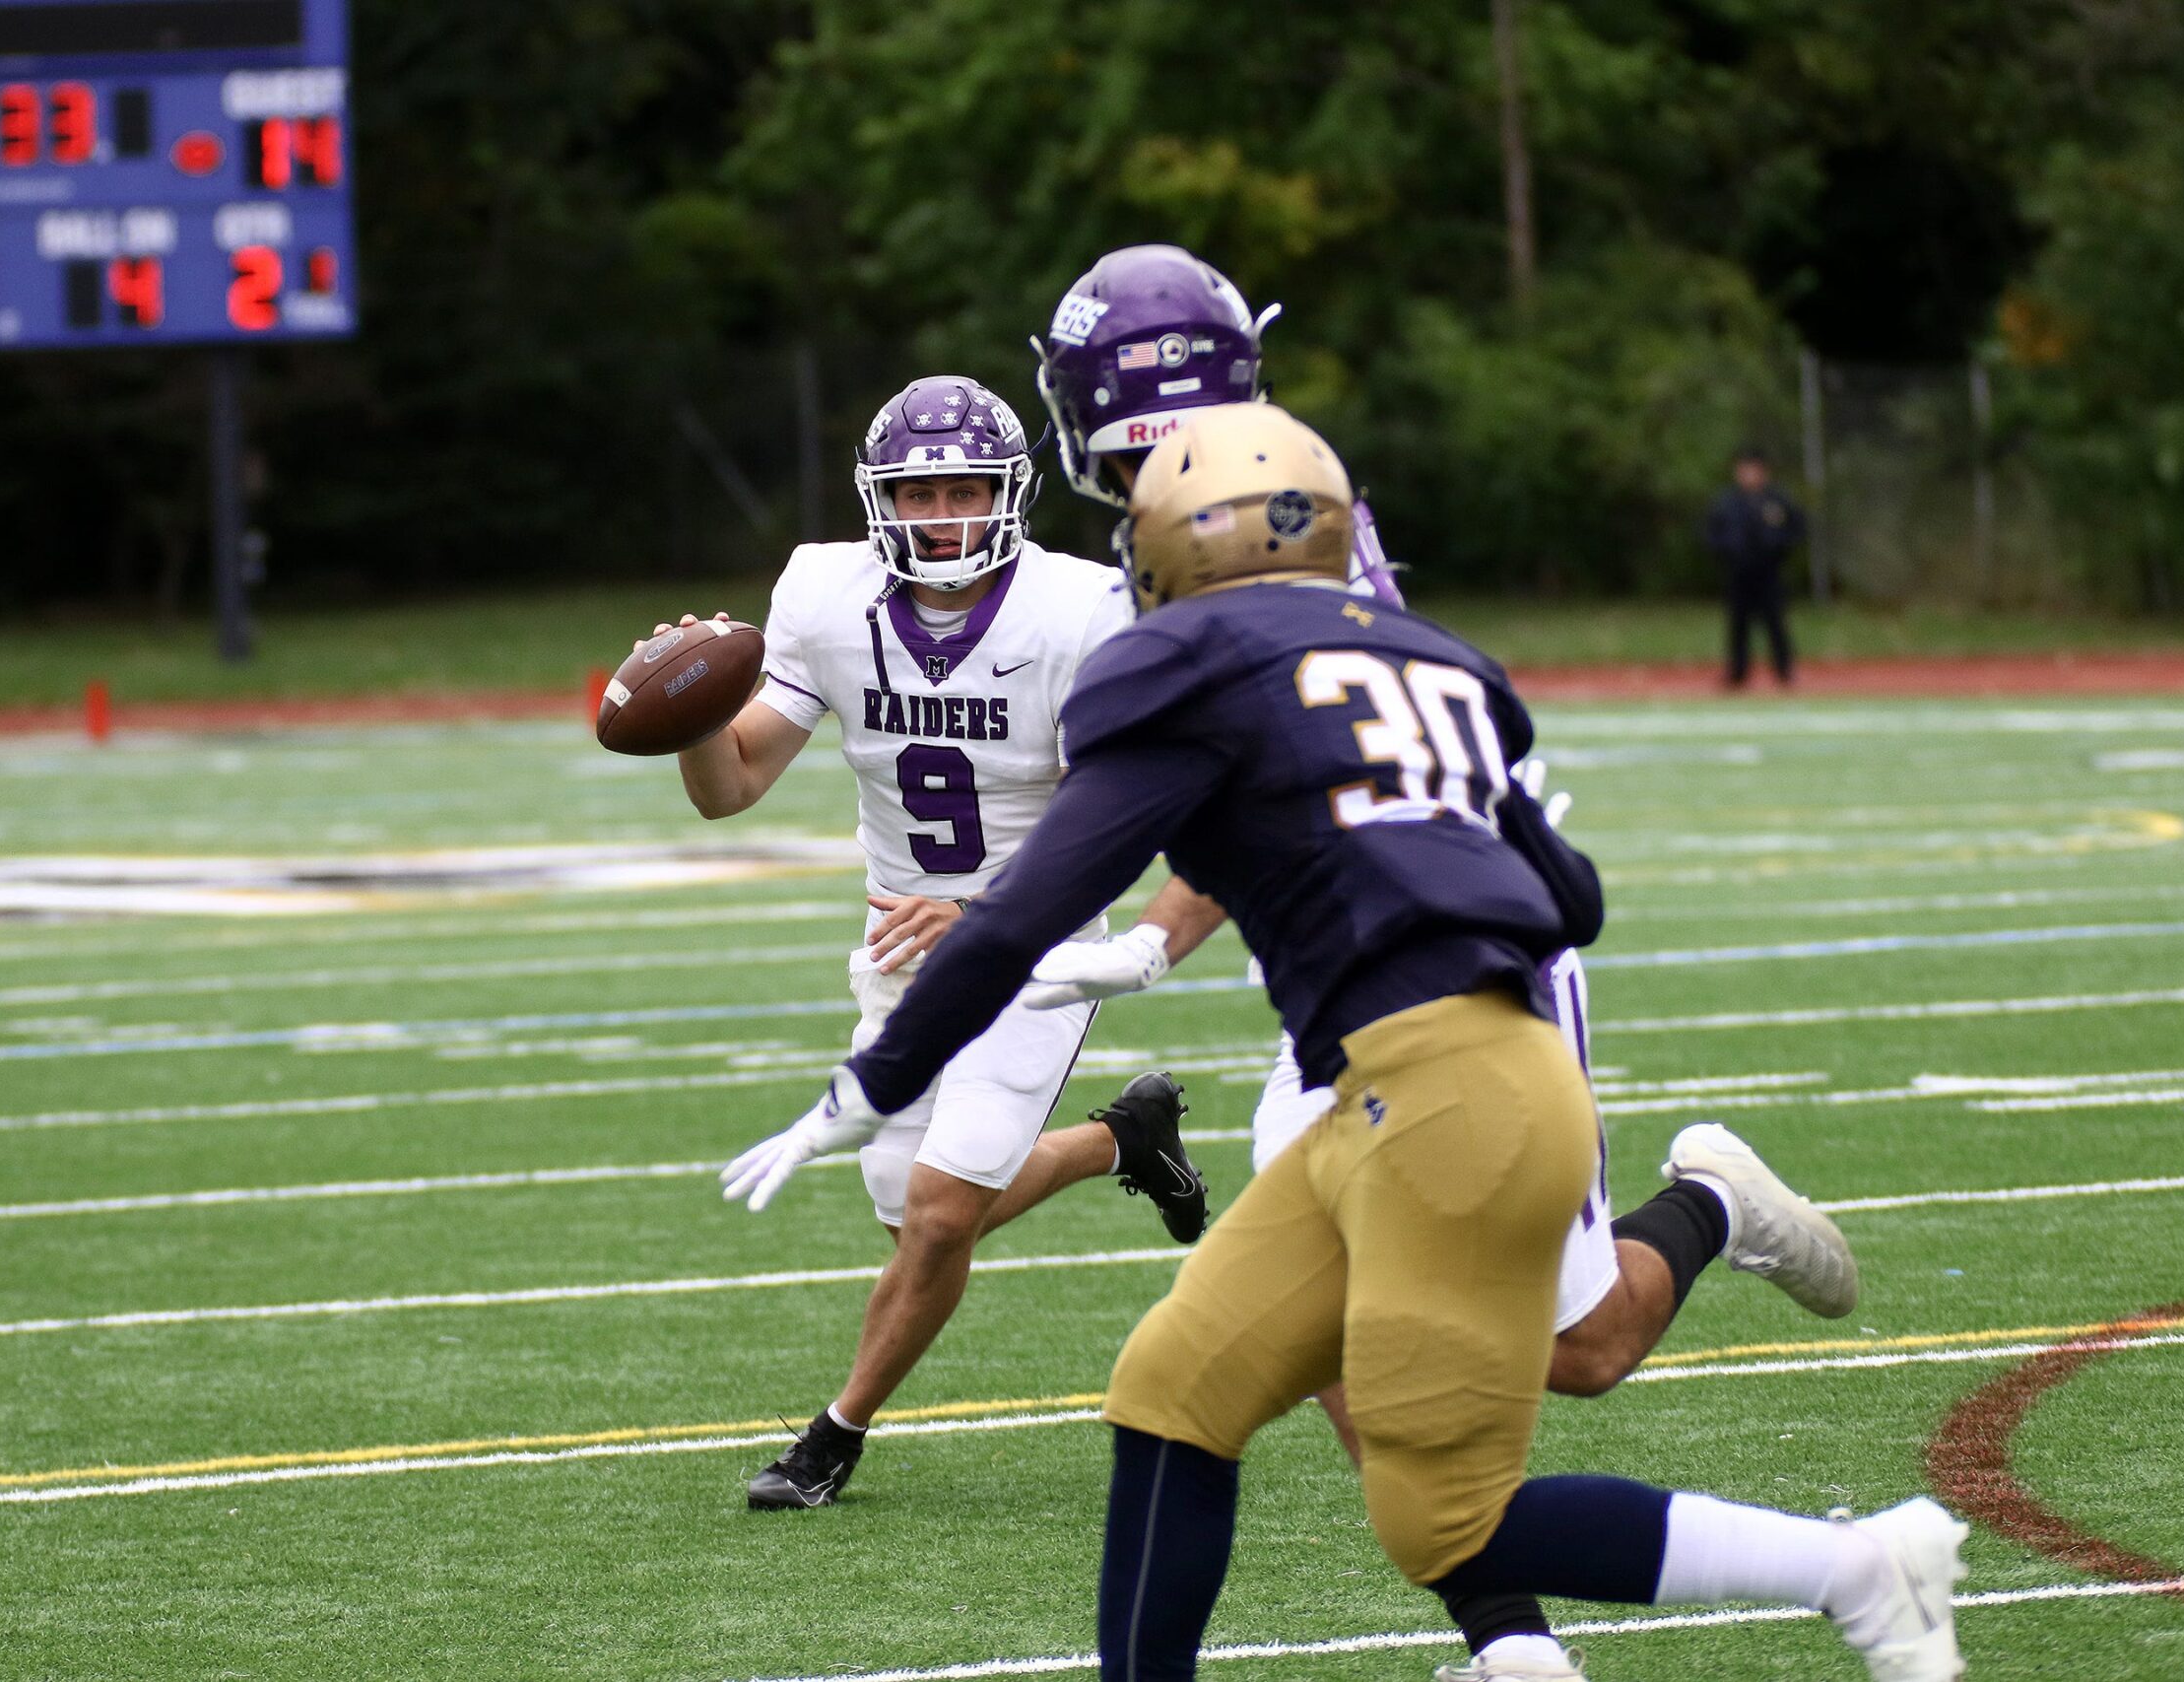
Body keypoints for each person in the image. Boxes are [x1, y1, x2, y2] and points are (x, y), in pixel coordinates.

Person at [726, 405, 1967, 1682]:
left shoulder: (1179, 661)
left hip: (1435, 1093)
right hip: (1424, 1069)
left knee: (1441, 1510)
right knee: (1172, 1388)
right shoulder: (1428, 657)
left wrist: (866, 1084)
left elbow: (1026, 908)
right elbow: (1572, 895)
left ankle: (1859, 1567)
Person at [1021, 245, 1853, 1449]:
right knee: (1329, 1333)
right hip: (1338, 976)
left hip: (1467, 941)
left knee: (1582, 1348)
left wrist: (1141, 939)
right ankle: (1500, 1627)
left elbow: (1299, 778)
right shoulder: (1227, 512)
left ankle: (1713, 1203)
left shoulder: (1262, 533)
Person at [675, 374, 1210, 1511]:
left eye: (965, 489)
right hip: (900, 941)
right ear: (881, 498)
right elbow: (732, 786)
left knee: (938, 1213)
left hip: (1037, 941)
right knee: (908, 1204)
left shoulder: (1080, 609)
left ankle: (832, 1436)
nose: (943, 515)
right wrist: (686, 724)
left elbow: (1122, 809)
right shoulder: (825, 592)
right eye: (919, 493)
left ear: (1009, 492)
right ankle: (1125, 1138)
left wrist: (987, 914)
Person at [1704, 446, 1805, 687]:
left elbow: (1796, 529)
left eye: (1753, 470)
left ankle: (1784, 671)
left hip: (1769, 572)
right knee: (1738, 624)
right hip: (1738, 573)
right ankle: (1737, 673)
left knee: (1775, 622)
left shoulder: (1778, 501)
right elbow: (1711, 533)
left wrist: (1778, 549)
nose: (1748, 475)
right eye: (1744, 470)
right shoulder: (1727, 502)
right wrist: (1727, 551)